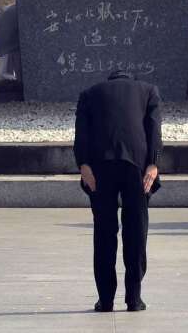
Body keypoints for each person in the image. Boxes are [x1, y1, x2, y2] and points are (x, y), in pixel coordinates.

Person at [75, 69, 162, 314]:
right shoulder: (148, 91)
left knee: (104, 233)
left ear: (109, 80)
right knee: (136, 232)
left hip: (100, 168)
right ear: (130, 79)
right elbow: (154, 129)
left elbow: (81, 134)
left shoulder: (89, 94)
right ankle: (134, 299)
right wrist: (153, 164)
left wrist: (84, 165)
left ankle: (105, 300)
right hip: (137, 167)